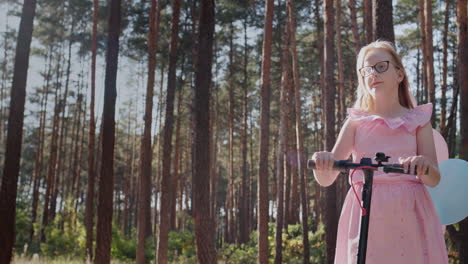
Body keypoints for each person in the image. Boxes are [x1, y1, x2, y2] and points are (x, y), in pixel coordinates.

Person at [311, 40, 448, 263]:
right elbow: (327, 178)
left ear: (400, 74)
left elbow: (434, 178)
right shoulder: (355, 122)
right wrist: (323, 162)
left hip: (409, 214)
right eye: (366, 70)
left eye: (381, 66)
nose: (373, 73)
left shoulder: (419, 121)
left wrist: (423, 166)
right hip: (366, 210)